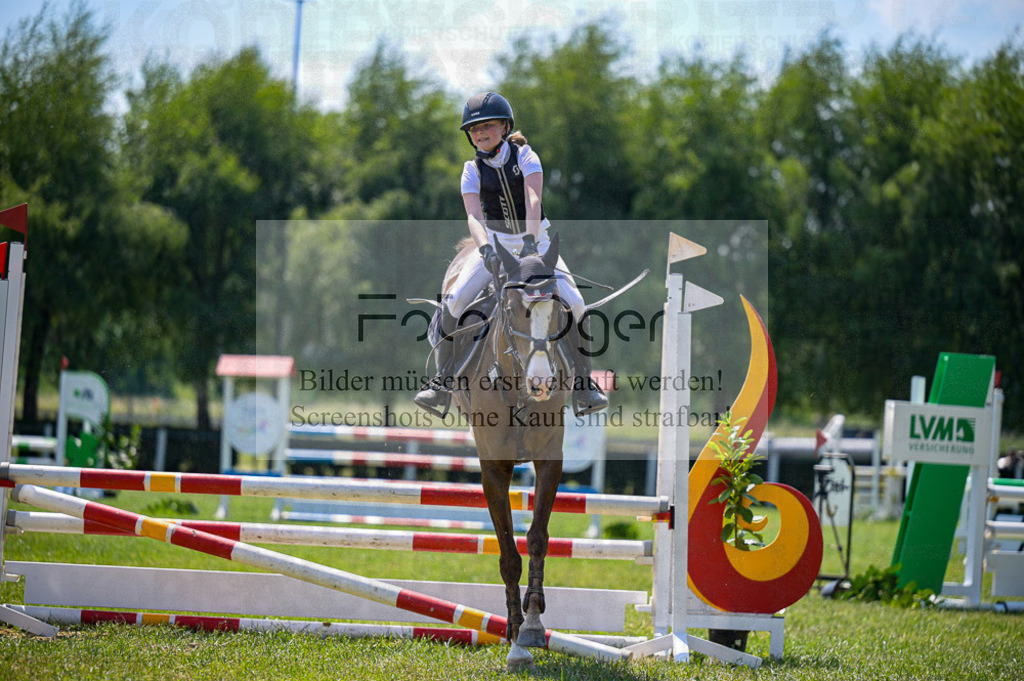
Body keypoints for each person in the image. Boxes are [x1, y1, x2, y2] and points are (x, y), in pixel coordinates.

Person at [414, 91, 608, 418]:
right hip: (496, 243)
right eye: (474, 129)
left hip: (538, 242)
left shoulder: (526, 156)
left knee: (575, 303)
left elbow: (533, 200)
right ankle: (442, 382)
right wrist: (486, 249)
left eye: (487, 125)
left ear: (505, 127)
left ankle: (584, 385)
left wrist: (530, 241)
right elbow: (474, 216)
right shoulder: (471, 170)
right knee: (455, 301)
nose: (480, 133)